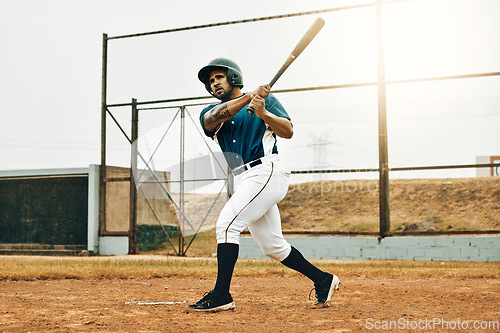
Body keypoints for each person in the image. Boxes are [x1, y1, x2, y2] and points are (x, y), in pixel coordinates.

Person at [189, 58, 340, 312]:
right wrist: (249, 98)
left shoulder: (264, 101)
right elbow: (212, 119)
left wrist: (263, 113)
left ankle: (222, 295)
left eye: (219, 77)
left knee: (226, 225)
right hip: (245, 178)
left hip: (266, 170)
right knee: (273, 245)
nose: (214, 83)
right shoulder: (211, 112)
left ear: (233, 77)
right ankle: (323, 280)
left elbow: (288, 131)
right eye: (210, 81)